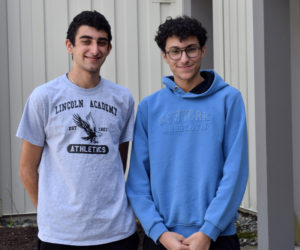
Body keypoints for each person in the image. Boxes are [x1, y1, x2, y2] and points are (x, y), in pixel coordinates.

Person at [17, 10, 138, 250]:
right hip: (60, 236)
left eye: (101, 42)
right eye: (86, 41)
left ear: (109, 49)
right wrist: (50, 215)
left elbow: (117, 160)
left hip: (116, 232)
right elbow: (27, 169)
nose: (94, 49)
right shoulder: (44, 97)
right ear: (69, 45)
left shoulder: (123, 99)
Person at [126, 16, 248, 250]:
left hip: (217, 237)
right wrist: (158, 232)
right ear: (165, 56)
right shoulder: (150, 107)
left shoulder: (229, 100)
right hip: (164, 238)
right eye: (175, 51)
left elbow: (235, 171)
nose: (184, 58)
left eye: (190, 49)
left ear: (202, 51)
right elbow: (137, 179)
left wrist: (209, 230)